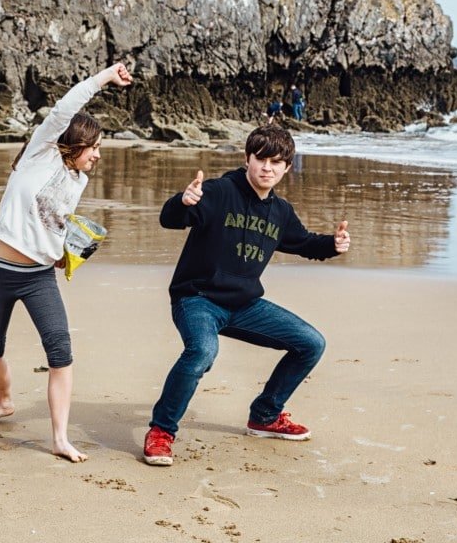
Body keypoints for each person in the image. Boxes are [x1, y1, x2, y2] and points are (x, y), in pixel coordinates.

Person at [141, 124, 351, 467]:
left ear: (286, 168)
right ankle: (162, 431)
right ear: (247, 158)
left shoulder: (280, 212)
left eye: (276, 162)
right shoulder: (220, 191)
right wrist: (182, 201)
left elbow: (304, 243)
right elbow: (172, 218)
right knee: (202, 352)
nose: (267, 167)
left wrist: (333, 245)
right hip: (196, 299)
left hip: (243, 305)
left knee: (311, 343)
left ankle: (265, 416)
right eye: (261, 159)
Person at [0, 62, 134, 463]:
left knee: (60, 354)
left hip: (39, 276)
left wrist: (66, 253)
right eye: (94, 147)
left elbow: (53, 223)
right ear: (73, 143)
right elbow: (65, 106)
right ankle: (4, 402)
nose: (97, 156)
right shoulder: (39, 154)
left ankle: (60, 437)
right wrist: (103, 79)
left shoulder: (77, 180)